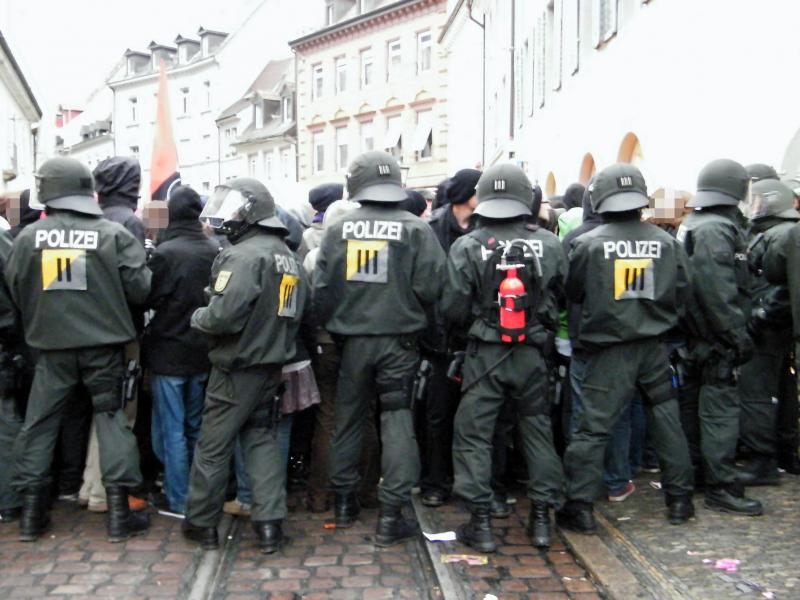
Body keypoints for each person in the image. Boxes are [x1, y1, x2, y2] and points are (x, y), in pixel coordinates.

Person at [6, 157, 151, 542]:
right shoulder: (112, 234)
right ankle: (119, 515)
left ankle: (32, 516)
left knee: (40, 423)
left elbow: (16, 290)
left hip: (51, 349)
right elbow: (140, 289)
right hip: (104, 349)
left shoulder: (26, 239)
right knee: (111, 420)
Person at [313, 150, 445, 547]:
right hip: (399, 342)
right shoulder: (417, 230)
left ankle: (343, 503)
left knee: (348, 420)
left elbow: (322, 290)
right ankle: (391, 513)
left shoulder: (339, 229)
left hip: (352, 342)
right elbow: (433, 288)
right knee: (397, 422)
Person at [556, 164, 695, 533]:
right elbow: (684, 294)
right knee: (666, 421)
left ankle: (580, 506)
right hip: (653, 347)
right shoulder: (667, 242)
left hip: (609, 350)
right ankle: (680, 500)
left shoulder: (587, 244)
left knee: (592, 429)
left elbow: (573, 294)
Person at [442, 163, 565, 552]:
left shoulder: (467, 245)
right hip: (532, 353)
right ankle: (542, 518)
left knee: (474, 435)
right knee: (537, 430)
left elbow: (452, 308)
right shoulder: (549, 243)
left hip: (486, 354)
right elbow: (563, 292)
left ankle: (480, 523)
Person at [182, 178, 308, 554]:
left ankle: (203, 523)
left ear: (251, 212)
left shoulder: (242, 256)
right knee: (262, 441)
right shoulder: (288, 255)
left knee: (213, 447)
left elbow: (222, 316)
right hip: (271, 365)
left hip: (237, 367)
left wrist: (198, 316)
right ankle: (270, 525)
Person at [676, 159, 762, 515]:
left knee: (695, 410)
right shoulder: (715, 229)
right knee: (719, 413)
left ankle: (700, 473)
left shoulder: (697, 223)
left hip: (697, 337)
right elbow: (717, 289)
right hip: (715, 339)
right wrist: (735, 334)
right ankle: (720, 484)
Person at [145, 185, 219, 515]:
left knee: (172, 430)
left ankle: (177, 498)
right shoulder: (214, 249)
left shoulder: (166, 253)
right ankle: (200, 495)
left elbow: (149, 297)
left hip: (169, 350)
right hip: (202, 348)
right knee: (195, 426)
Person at [420, 168, 480, 508]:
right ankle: (436, 480)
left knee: (478, 417)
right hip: (440, 339)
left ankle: (471, 482)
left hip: (476, 337)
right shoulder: (432, 230)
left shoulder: (487, 226)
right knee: (438, 414)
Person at [736, 179, 799, 485]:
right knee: (783, 391)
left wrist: (758, 319)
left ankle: (763, 461)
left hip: (767, 331)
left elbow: (782, 289)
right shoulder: (783, 233)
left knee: (757, 394)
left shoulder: (778, 236)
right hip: (780, 329)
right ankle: (785, 453)